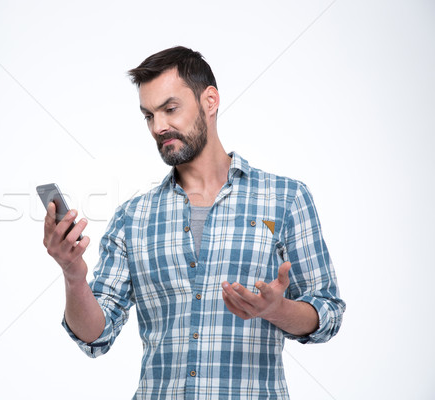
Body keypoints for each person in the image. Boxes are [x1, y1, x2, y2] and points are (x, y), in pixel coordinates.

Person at [43, 46, 345, 399]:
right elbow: (95, 335)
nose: (159, 127)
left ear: (210, 101)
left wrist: (279, 310)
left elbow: (328, 313)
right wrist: (73, 274)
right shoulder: (132, 217)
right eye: (148, 116)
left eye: (170, 109)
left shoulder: (286, 198)